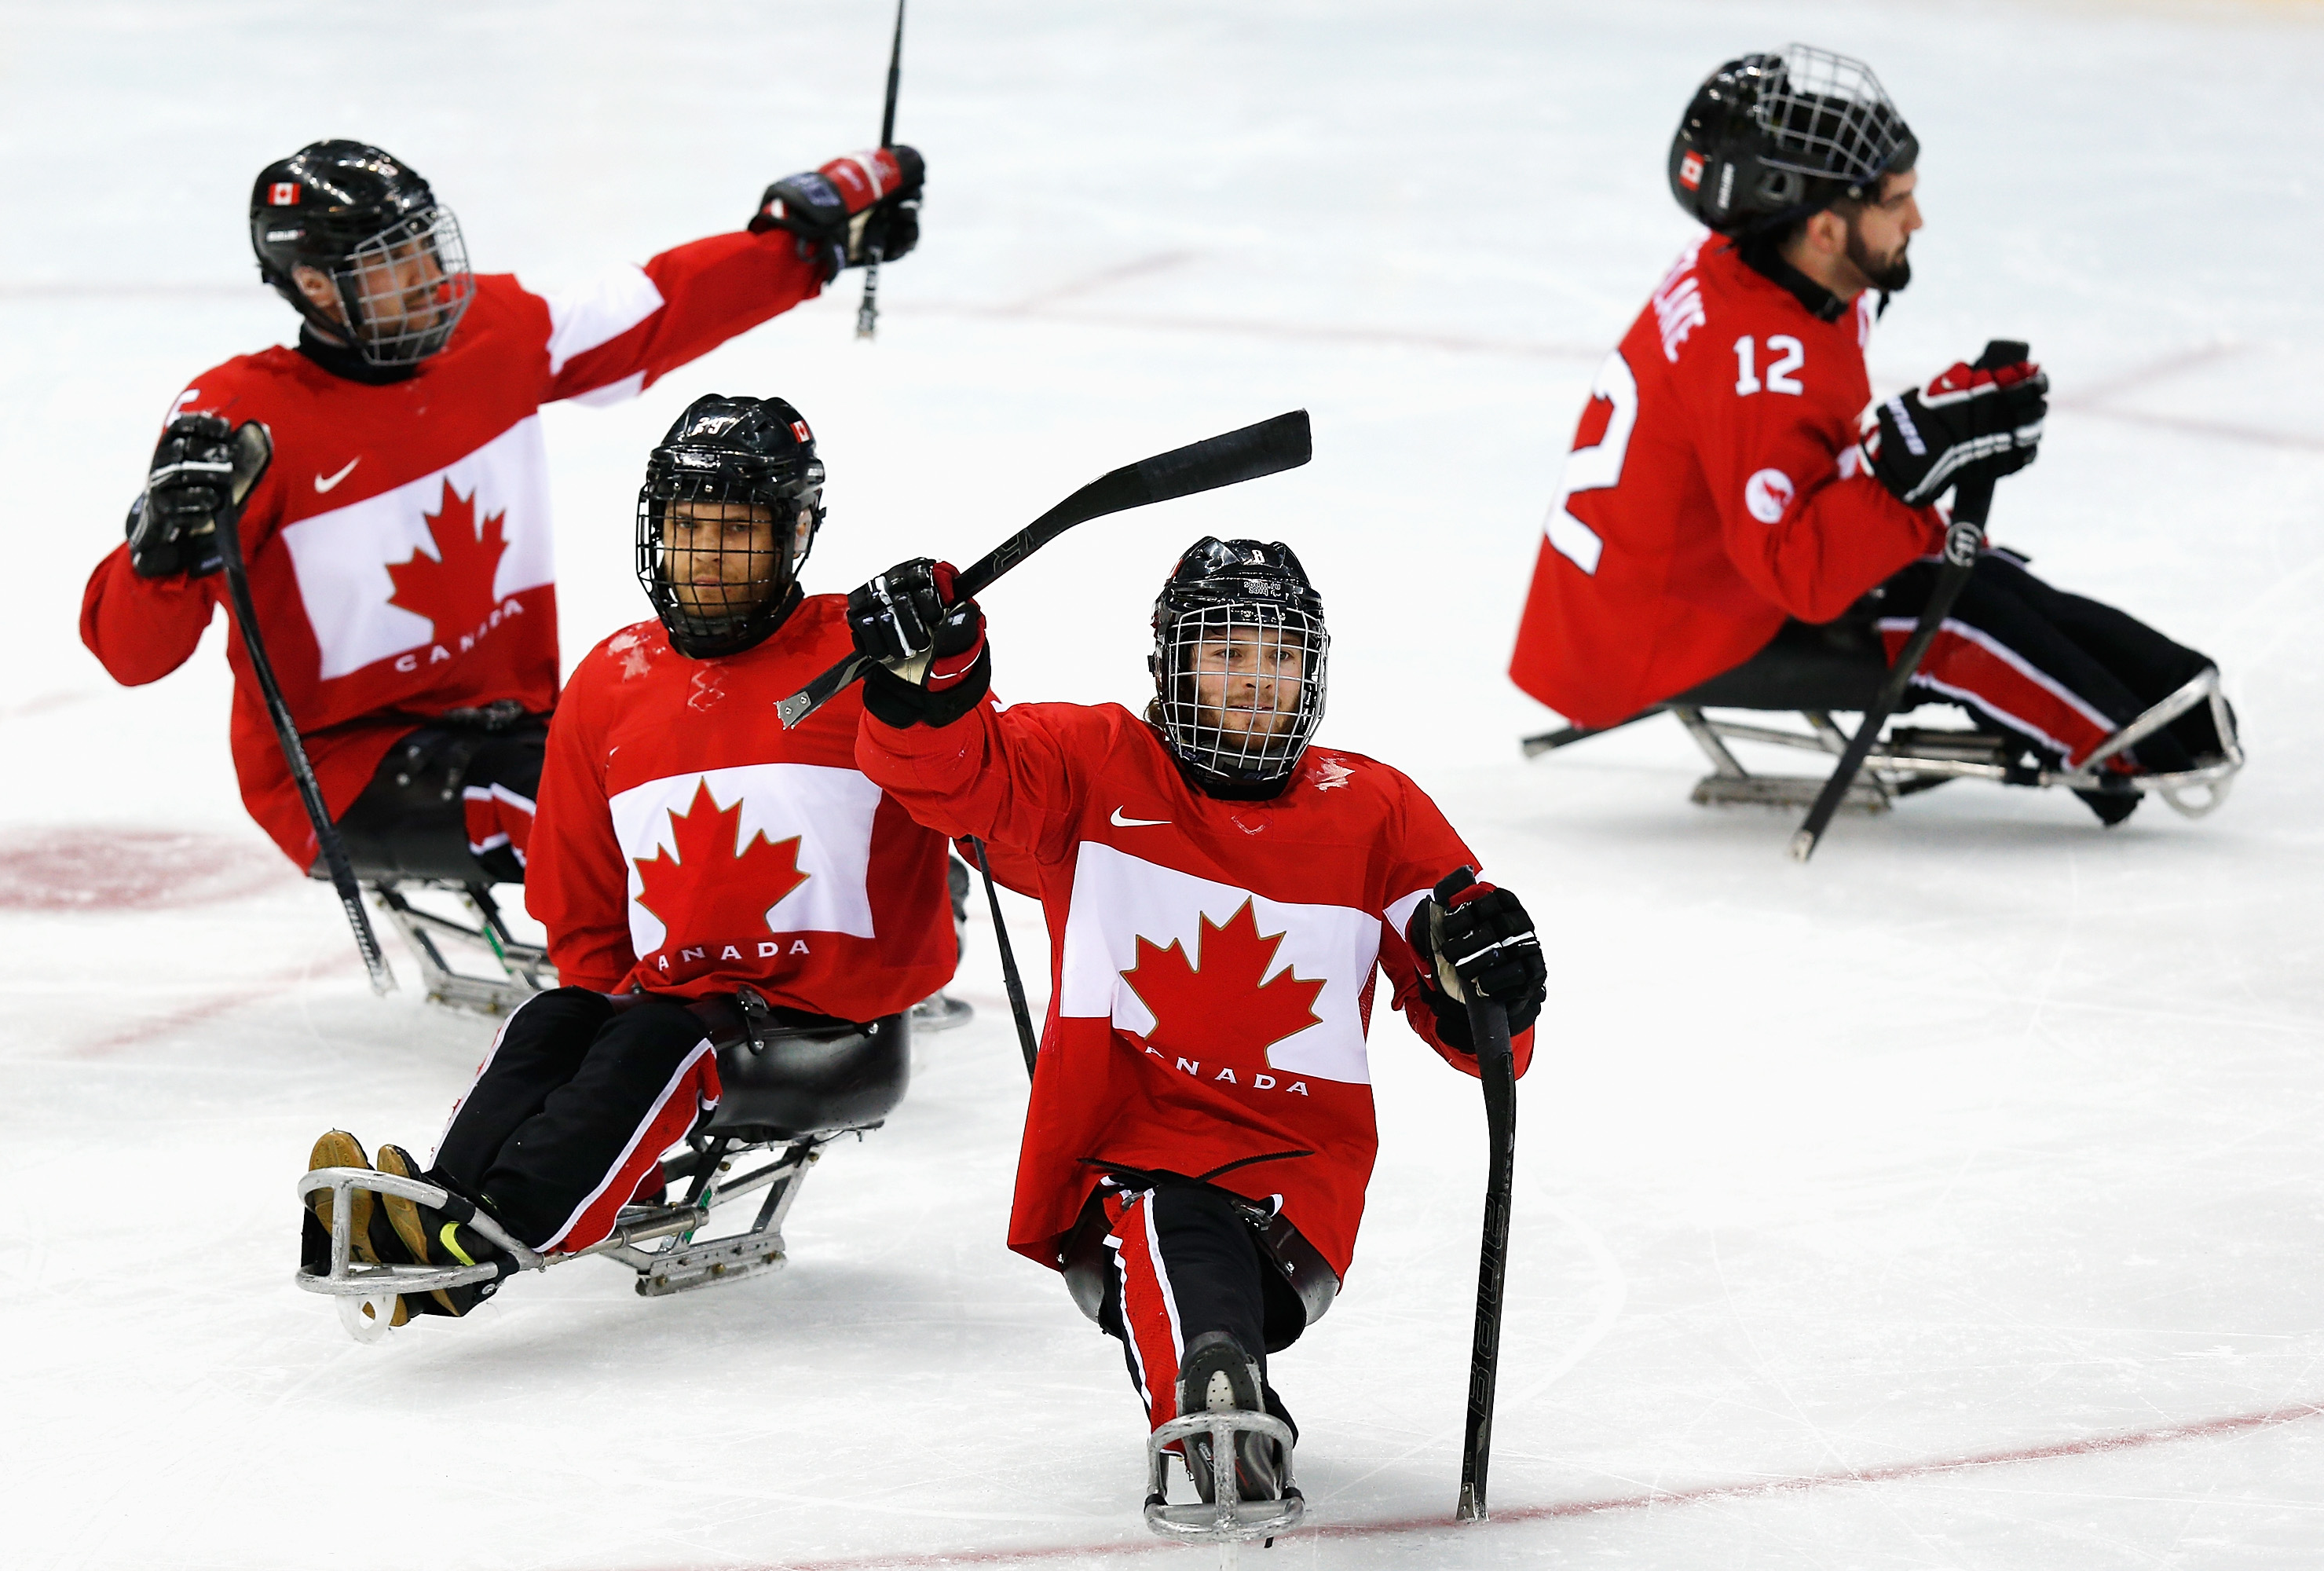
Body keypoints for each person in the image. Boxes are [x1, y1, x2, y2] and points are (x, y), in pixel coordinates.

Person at [842, 538, 1549, 1514]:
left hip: (1290, 1194)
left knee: (1193, 1235)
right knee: (1167, 1217)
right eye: (1228, 654)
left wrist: (1492, 970)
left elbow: (1488, 1032)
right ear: (1171, 665)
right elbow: (952, 774)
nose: (1259, 683)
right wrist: (935, 669)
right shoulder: (1091, 766)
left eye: (1280, 656)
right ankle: (1221, 1403)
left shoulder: (1373, 810)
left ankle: (1222, 1401)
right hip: (1118, 1160)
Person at [82, 137, 924, 882]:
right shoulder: (241, 422)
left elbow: (648, 313)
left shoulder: (489, 334)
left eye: (424, 247)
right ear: (315, 286)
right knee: (619, 819)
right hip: (350, 766)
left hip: (521, 722)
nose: (428, 279)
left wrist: (806, 245)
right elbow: (132, 655)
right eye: (391, 263)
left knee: (739, 756)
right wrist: (157, 550)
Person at [305, 394, 958, 1327]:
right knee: (554, 1017)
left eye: (735, 528)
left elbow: (975, 776)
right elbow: (581, 901)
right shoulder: (612, 680)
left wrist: (946, 665)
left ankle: (483, 1245)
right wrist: (600, 1033)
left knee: (656, 1039)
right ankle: (439, 1207)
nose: (704, 553)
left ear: (798, 530)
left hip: (836, 1021)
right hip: (684, 1004)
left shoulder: (861, 659)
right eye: (689, 525)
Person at [1506, 46, 2232, 825]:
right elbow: (1801, 576)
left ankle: (2169, 696)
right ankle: (2128, 745)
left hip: (1649, 591)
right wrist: (1904, 462)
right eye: (1895, 202)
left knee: (1965, 564)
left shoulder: (1768, 265)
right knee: (1955, 613)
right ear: (1823, 227)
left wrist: (1926, 439)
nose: (1916, 220)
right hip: (1663, 634)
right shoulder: (1761, 365)